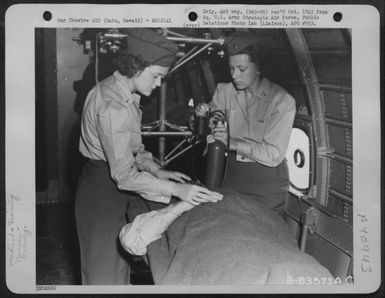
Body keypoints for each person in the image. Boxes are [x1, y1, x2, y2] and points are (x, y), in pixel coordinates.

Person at [75, 28, 223, 285]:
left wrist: (157, 170)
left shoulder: (128, 95)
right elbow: (123, 175)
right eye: (156, 77)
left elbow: (135, 148)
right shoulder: (112, 106)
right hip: (102, 188)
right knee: (103, 277)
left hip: (114, 181)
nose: (157, 85)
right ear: (136, 66)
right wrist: (177, 190)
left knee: (119, 271)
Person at [196, 31, 296, 213]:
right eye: (231, 68)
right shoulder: (225, 91)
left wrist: (232, 143)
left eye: (242, 69)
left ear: (258, 67)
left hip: (267, 182)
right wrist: (205, 114)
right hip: (232, 174)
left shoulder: (281, 101)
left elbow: (273, 154)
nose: (234, 75)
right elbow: (216, 116)